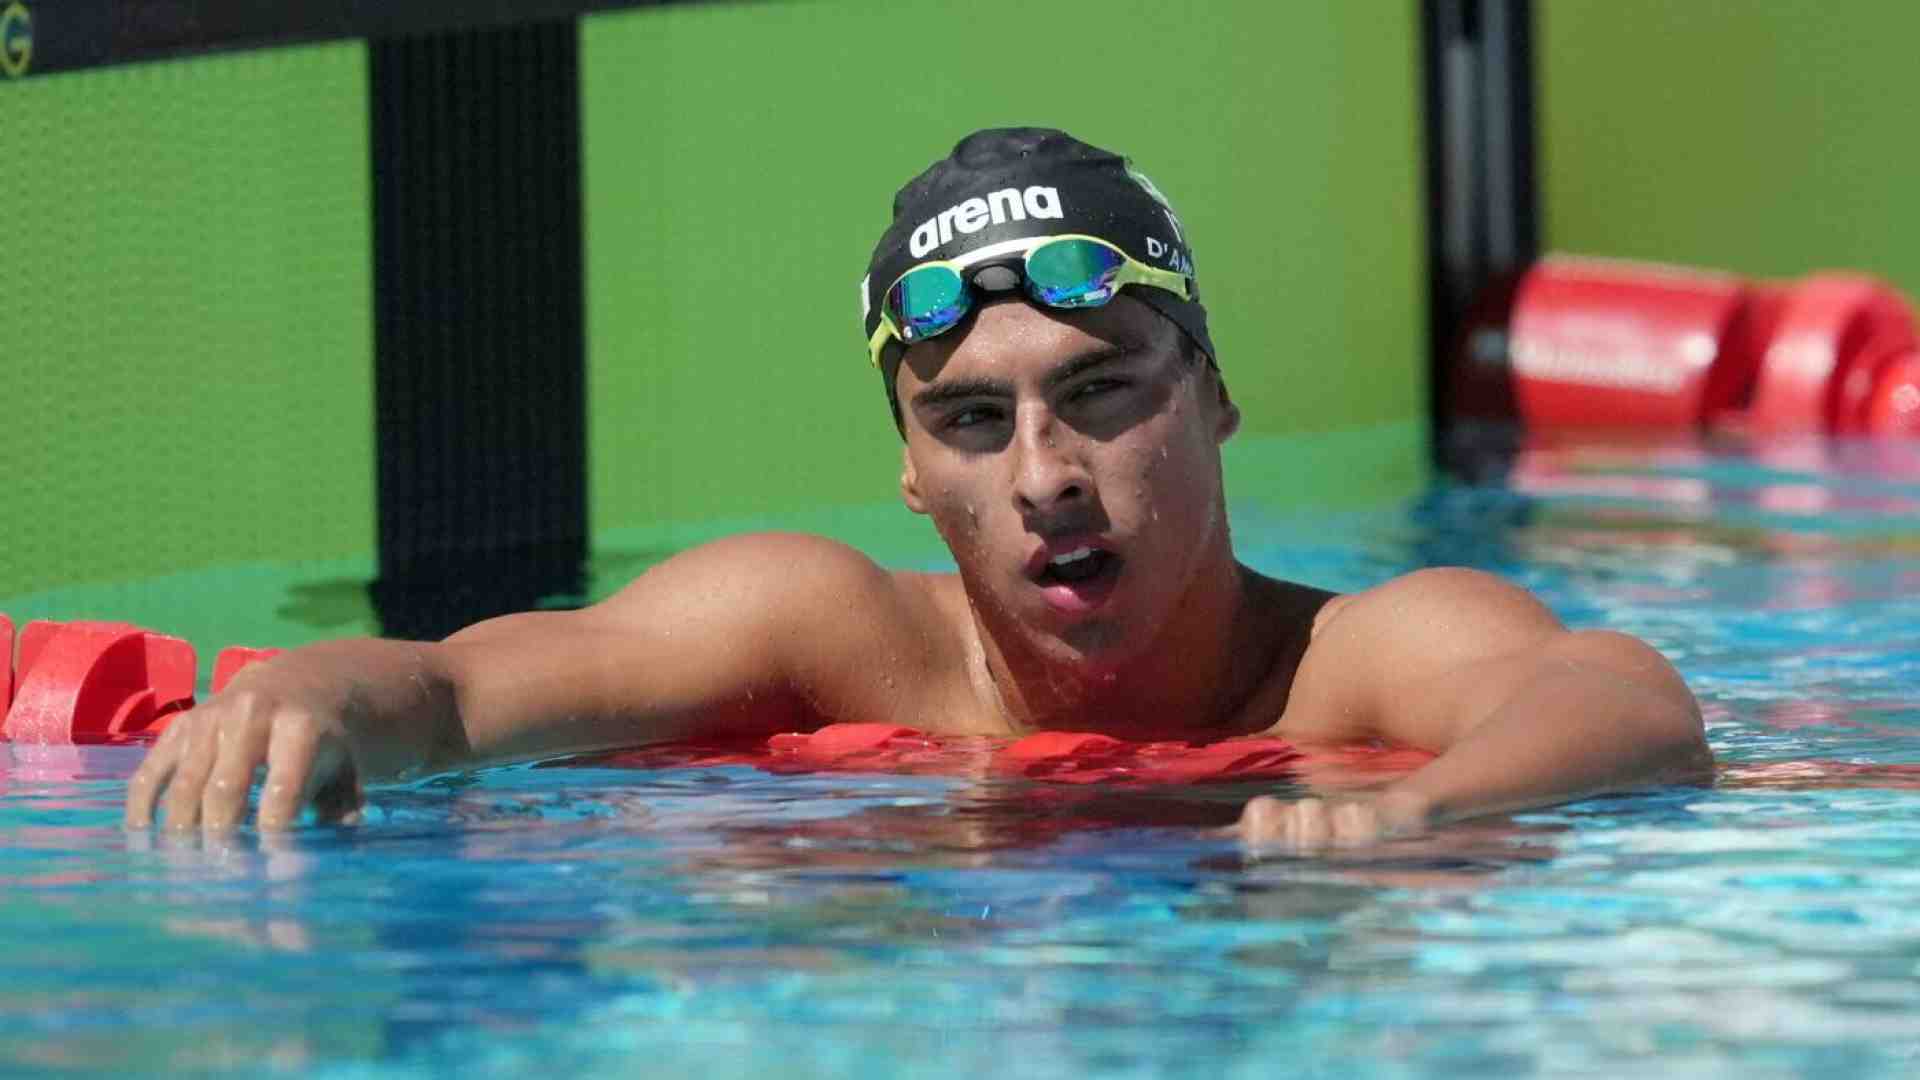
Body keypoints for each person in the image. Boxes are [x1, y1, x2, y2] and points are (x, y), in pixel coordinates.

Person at [123, 128, 1712, 844]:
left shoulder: (1352, 664)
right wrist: (301, 696)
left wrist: (1416, 815)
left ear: (1215, 400)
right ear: (908, 468)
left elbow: (1631, 706)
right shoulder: (821, 634)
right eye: (970, 420)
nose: (1045, 477)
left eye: (1101, 393)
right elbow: (458, 694)